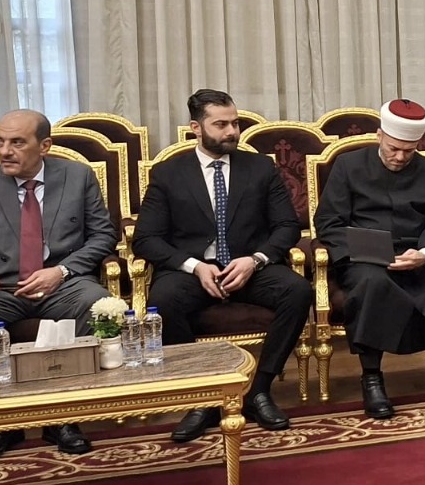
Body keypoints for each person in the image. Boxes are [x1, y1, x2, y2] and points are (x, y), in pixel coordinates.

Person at [133, 88, 312, 442]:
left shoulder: (260, 168)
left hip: (249, 267)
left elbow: (287, 226)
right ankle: (204, 397)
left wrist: (255, 259)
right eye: (221, 125)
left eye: (235, 123)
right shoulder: (168, 173)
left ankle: (258, 391)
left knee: (297, 291)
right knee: (164, 300)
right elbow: (147, 239)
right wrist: (194, 266)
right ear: (196, 128)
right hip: (195, 271)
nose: (232, 131)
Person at [0, 109, 117, 464]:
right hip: (0, 288)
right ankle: (0, 420)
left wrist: (62, 271)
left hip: (62, 284)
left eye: (17, 143)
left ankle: (62, 416)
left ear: (44, 146)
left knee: (96, 303)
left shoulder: (77, 176)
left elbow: (103, 236)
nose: (4, 151)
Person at [313, 99, 425, 418]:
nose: (401, 157)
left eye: (409, 150)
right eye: (394, 149)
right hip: (366, 258)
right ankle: (372, 379)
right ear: (380, 135)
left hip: (417, 255)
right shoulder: (348, 166)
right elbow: (328, 223)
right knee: (371, 283)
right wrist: (367, 250)